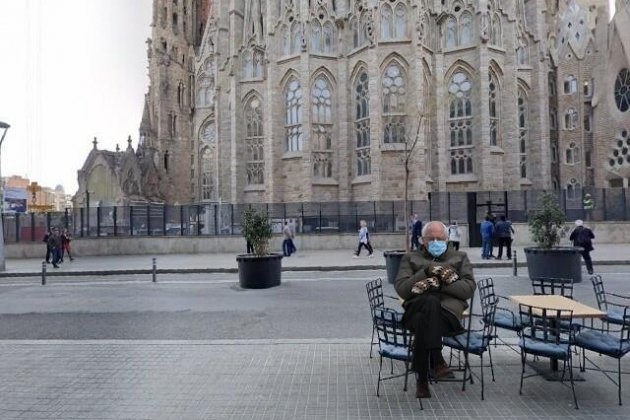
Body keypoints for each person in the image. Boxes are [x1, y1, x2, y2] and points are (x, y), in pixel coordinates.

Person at [395, 221, 476, 399]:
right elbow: (402, 289)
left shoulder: (460, 257)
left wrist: (436, 284)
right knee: (429, 304)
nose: (435, 241)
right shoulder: (410, 258)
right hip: (416, 308)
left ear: (447, 239)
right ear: (422, 240)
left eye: (440, 238)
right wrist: (426, 271)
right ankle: (437, 360)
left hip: (447, 316)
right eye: (431, 239)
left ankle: (422, 379)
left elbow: (467, 289)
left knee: (427, 309)